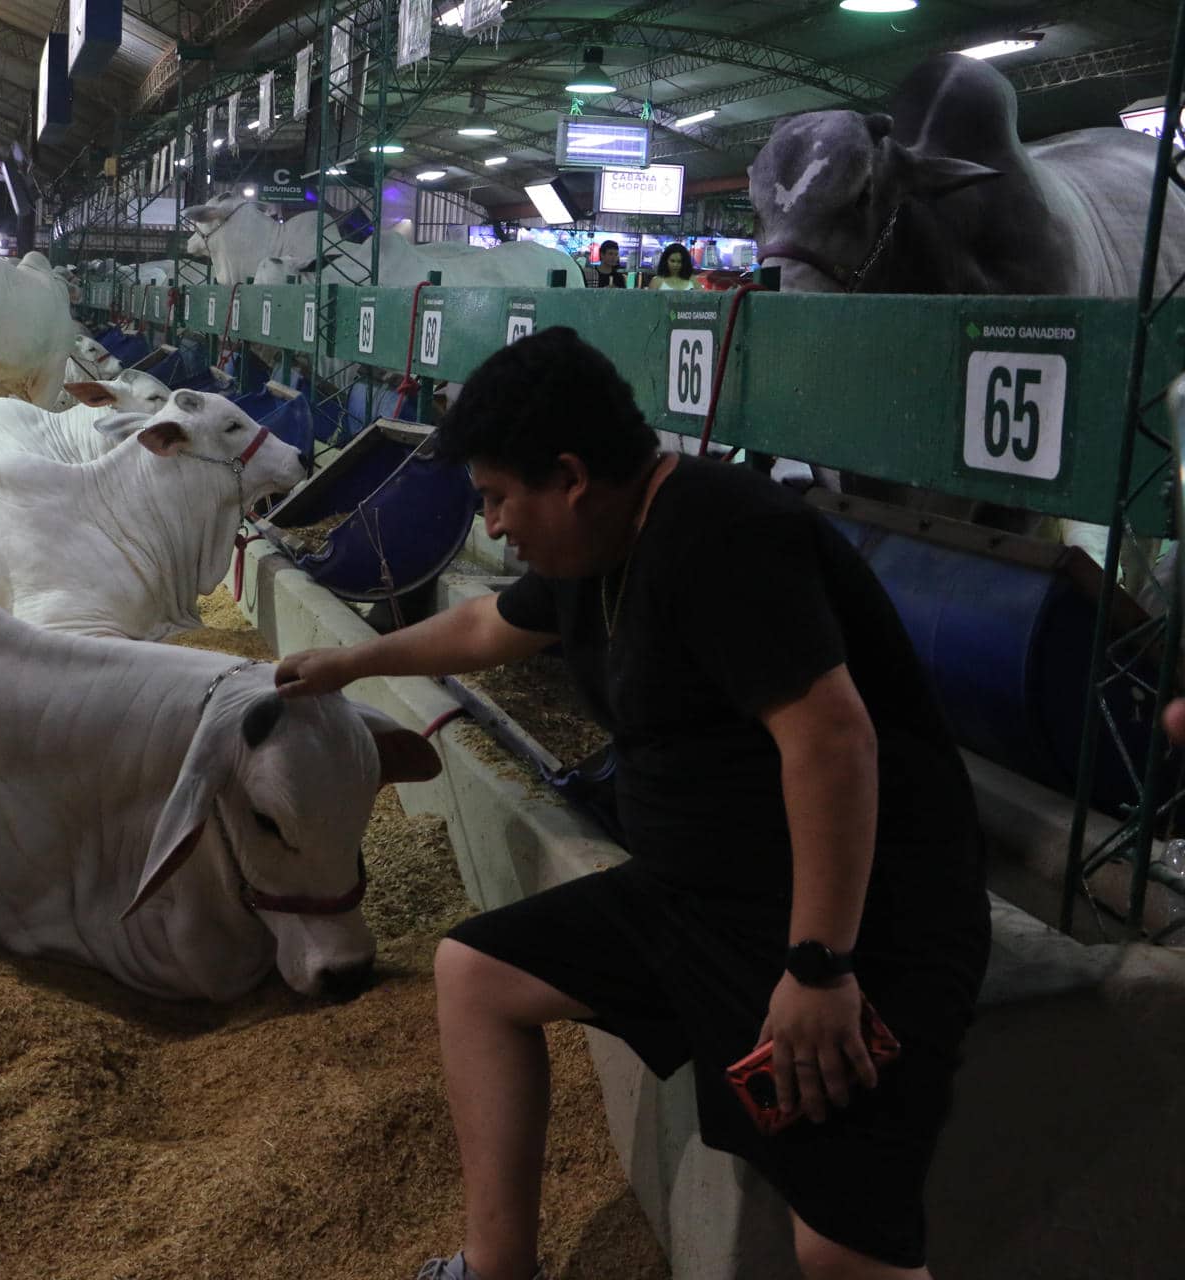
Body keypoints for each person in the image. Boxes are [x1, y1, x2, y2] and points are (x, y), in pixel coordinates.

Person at [277, 327, 990, 1280]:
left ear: (570, 475)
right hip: (696, 901)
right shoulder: (596, 550)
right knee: (478, 975)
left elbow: (831, 740)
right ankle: (498, 1270)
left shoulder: (720, 533)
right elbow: (492, 621)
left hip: (853, 922)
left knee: (843, 1253)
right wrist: (348, 661)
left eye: (497, 499)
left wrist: (820, 969)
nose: (492, 527)